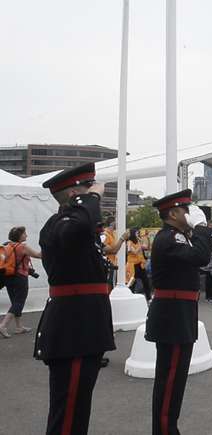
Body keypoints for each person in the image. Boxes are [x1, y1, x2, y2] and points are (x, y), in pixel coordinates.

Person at [35, 163, 115, 434]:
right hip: (74, 331)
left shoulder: (75, 226)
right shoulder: (62, 223)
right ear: (73, 195)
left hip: (84, 328)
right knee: (68, 415)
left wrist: (87, 197)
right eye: (88, 188)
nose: (95, 195)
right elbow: (78, 228)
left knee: (78, 409)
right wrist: (90, 198)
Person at [146, 189, 212, 435]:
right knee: (170, 382)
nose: (190, 214)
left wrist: (200, 231)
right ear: (174, 213)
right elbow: (200, 255)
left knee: (173, 382)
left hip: (178, 314)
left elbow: (201, 255)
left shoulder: (178, 236)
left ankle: (167, 429)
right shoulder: (171, 237)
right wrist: (202, 228)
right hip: (173, 317)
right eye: (186, 210)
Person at [0, 226, 42, 338]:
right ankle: (3, 325)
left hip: (8, 276)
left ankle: (19, 327)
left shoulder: (7, 245)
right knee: (19, 302)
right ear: (19, 236)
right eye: (24, 233)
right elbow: (39, 255)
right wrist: (49, 247)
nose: (26, 235)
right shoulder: (22, 247)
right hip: (20, 277)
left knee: (15, 301)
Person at [127, 228, 152, 301]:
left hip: (140, 264)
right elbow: (133, 251)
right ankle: (130, 297)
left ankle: (149, 298)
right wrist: (140, 246)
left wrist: (146, 239)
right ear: (133, 234)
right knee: (132, 282)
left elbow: (146, 247)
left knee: (145, 281)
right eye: (136, 233)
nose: (138, 234)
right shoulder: (129, 242)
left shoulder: (138, 241)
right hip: (133, 265)